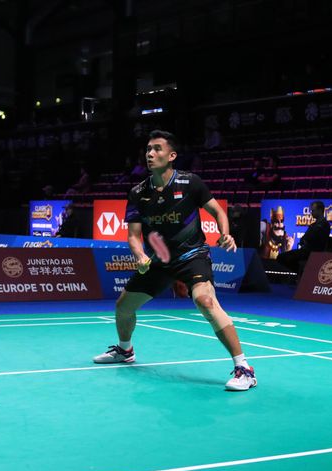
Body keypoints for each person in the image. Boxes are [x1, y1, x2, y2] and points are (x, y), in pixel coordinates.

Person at [92, 130, 257, 391]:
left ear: (171, 156)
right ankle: (125, 350)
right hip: (158, 260)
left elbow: (217, 211)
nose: (150, 153)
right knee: (123, 307)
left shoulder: (190, 183)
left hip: (192, 255)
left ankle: (244, 368)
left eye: (157, 149)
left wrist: (225, 234)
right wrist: (140, 256)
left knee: (205, 301)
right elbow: (133, 235)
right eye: (148, 149)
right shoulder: (138, 192)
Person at [277, 200, 331, 273]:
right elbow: (304, 238)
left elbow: (315, 239)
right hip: (305, 250)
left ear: (320, 210)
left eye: (313, 211)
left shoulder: (325, 225)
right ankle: (302, 272)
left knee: (283, 257)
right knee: (281, 257)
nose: (311, 213)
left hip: (313, 253)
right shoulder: (313, 225)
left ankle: (303, 272)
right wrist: (305, 239)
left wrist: (307, 239)